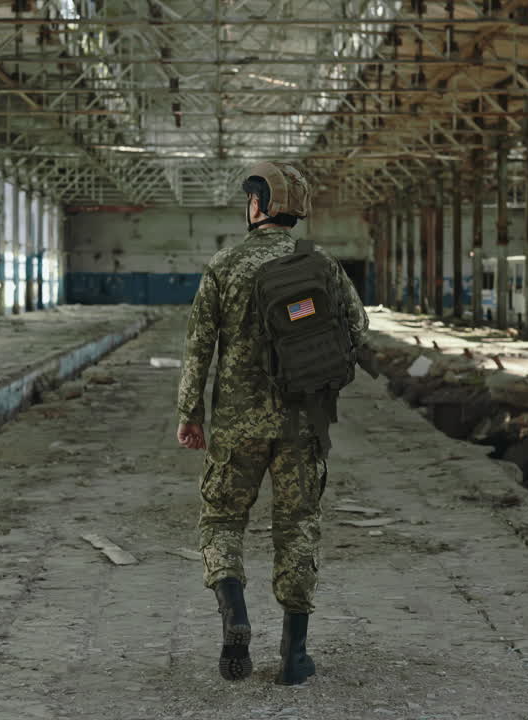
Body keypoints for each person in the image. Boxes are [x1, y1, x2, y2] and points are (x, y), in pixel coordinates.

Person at [176, 162, 369, 685]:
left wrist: (190, 414)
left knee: (221, 520)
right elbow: (358, 330)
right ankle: (294, 654)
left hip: (238, 425)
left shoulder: (225, 263)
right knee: (297, 526)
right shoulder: (322, 264)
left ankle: (235, 616)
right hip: (302, 423)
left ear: (258, 204)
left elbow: (198, 348)